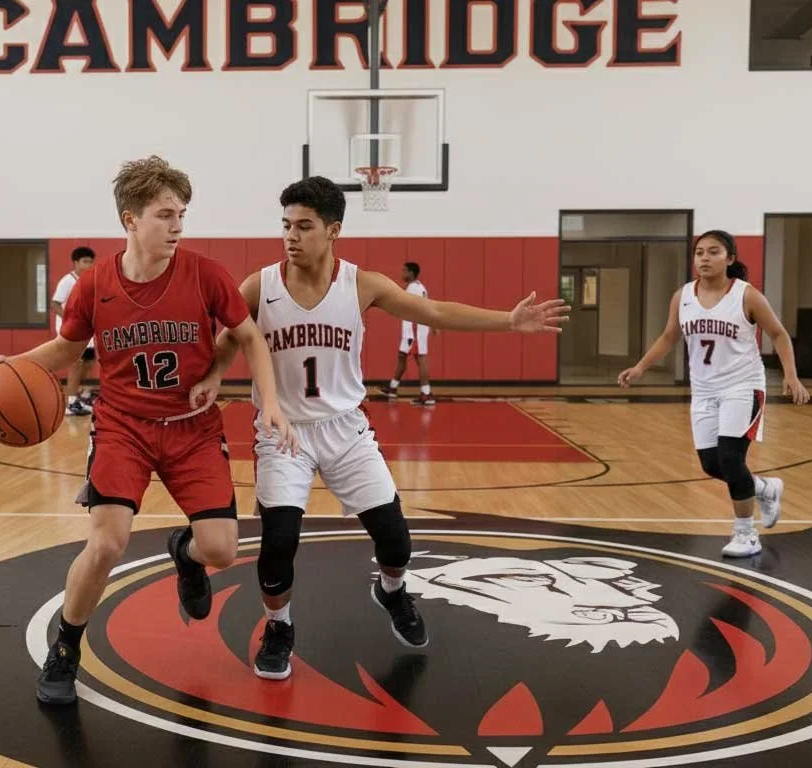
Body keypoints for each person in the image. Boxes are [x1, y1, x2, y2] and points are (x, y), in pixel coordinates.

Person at [190, 176, 570, 680]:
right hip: (284, 433)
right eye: (285, 226)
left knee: (396, 542)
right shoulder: (260, 285)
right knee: (279, 541)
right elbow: (229, 338)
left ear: (333, 231)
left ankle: (391, 590)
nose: (291, 236)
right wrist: (215, 373)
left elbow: (432, 311)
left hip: (346, 429)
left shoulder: (361, 284)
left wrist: (507, 321)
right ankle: (279, 625)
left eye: (304, 226)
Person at [0, 156, 297, 705]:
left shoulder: (206, 274)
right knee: (107, 543)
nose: (177, 226)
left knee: (220, 549)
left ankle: (185, 554)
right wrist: (9, 366)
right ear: (130, 220)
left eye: (182, 215)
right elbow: (66, 350)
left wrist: (272, 403)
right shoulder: (94, 285)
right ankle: (66, 648)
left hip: (192, 428)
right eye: (165, 215)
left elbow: (250, 339)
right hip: (124, 426)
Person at [617, 229, 810, 558]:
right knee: (711, 464)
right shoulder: (683, 296)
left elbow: (778, 333)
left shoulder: (746, 296)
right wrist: (640, 367)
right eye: (699, 253)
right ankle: (764, 487)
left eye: (714, 252)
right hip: (704, 390)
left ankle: (747, 534)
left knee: (731, 459)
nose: (704, 258)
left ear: (730, 258)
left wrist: (791, 375)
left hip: (742, 386)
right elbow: (668, 336)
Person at [51, 246, 98, 415]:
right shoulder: (67, 281)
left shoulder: (90, 279)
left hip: (86, 328)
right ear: (76, 263)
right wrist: (70, 318)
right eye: (85, 261)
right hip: (70, 329)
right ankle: (70, 402)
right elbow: (55, 304)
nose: (89, 264)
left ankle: (82, 396)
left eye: (91, 261)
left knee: (89, 363)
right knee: (76, 364)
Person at [382, 262, 435, 405]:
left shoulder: (413, 288)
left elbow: (420, 307)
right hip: (413, 329)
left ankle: (426, 393)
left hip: (415, 330)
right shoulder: (419, 287)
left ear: (411, 272)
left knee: (420, 359)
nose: (402, 273)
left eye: (404, 270)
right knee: (402, 356)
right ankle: (393, 388)